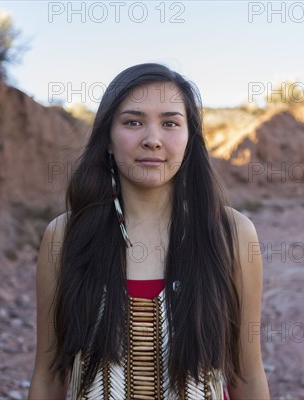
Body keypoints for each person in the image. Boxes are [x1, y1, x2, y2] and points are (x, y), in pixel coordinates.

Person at [29, 63, 270, 399]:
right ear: (109, 139)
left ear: (190, 138)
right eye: (133, 122)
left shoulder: (232, 234)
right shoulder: (66, 235)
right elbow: (48, 376)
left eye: (170, 122)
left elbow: (247, 376)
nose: (153, 140)